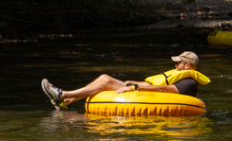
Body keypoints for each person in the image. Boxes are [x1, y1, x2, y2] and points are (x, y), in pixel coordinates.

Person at [41, 52, 210, 110]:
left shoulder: (189, 82)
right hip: (146, 93)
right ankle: (68, 101)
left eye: (178, 62)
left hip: (151, 98)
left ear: (187, 65)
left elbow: (165, 90)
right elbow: (157, 85)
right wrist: (134, 82)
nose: (175, 64)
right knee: (104, 77)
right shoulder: (180, 75)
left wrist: (134, 88)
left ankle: (63, 95)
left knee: (105, 82)